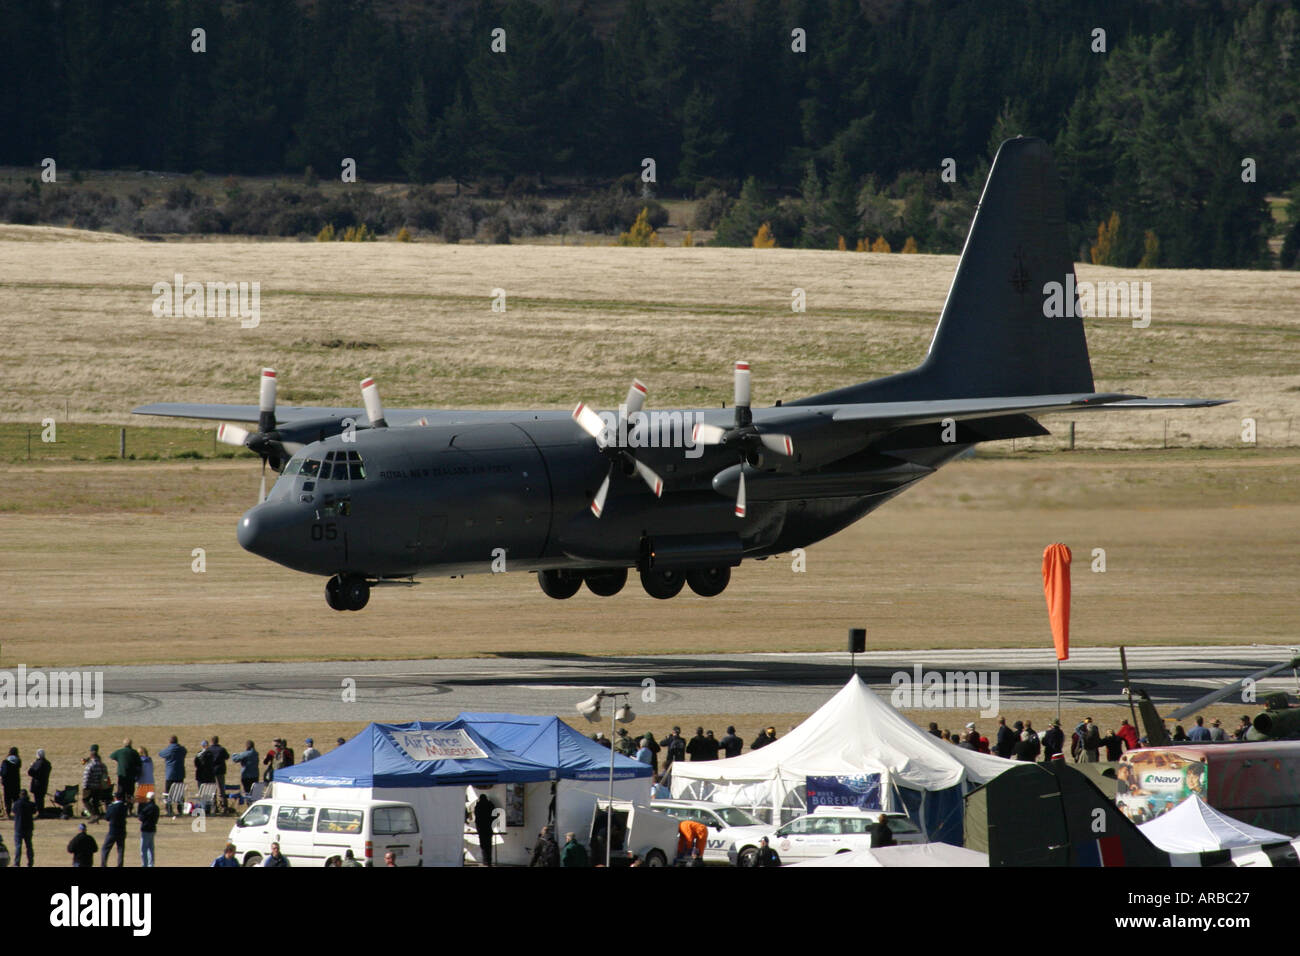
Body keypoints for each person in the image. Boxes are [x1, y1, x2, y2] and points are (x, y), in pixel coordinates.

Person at [109, 739, 142, 814]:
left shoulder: (119, 751)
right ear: (131, 744)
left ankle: (121, 809)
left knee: (121, 793)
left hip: (122, 776)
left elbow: (111, 756)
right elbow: (139, 764)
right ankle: (130, 809)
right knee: (130, 794)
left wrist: (119, 761)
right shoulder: (134, 752)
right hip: (131, 777)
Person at [158, 735, 187, 814]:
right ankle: (180, 808)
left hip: (170, 775)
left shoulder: (169, 750)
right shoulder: (181, 749)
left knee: (168, 792)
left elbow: (160, 753)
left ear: (170, 742)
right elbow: (185, 751)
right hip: (180, 774)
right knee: (180, 792)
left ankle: (169, 808)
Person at [81, 747, 109, 821]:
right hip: (99, 786)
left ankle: (93, 815)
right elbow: (105, 776)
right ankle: (97, 815)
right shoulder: (102, 765)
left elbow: (86, 776)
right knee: (95, 802)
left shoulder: (90, 765)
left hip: (90, 786)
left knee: (85, 800)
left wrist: (85, 786)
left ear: (91, 757)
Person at [101, 790, 128, 867]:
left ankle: (103, 864)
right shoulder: (124, 807)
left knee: (105, 848)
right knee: (120, 849)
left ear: (115, 798)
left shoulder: (111, 807)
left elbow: (107, 818)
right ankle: (120, 865)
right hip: (122, 831)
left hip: (112, 831)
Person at [11, 789, 35, 866]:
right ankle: (30, 862)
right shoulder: (31, 804)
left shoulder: (16, 804)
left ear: (20, 795)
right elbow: (34, 811)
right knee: (29, 846)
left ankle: (17, 863)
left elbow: (13, 811)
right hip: (28, 828)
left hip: (19, 827)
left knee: (18, 846)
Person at [473, 792, 496, 866]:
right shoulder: (490, 805)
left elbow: (477, 818)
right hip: (488, 828)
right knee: (489, 845)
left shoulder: (478, 806)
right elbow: (494, 816)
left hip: (481, 829)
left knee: (483, 845)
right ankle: (489, 861)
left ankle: (485, 860)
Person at [208, 735, 230, 811]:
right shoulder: (221, 749)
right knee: (221, 789)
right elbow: (227, 756)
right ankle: (223, 806)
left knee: (213, 790)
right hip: (220, 771)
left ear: (211, 741)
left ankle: (214, 806)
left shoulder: (209, 750)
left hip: (211, 772)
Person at [138, 791, 159, 866]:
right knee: (151, 848)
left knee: (143, 849)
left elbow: (141, 818)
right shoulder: (156, 808)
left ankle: (144, 864)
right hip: (153, 829)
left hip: (145, 829)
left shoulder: (146, 808)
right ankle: (151, 864)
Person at [27, 749, 51, 815]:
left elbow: (31, 772)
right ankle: (41, 811)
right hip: (44, 783)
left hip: (37, 784)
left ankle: (40, 812)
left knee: (38, 799)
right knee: (41, 799)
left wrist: (32, 766)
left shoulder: (38, 763)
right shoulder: (48, 763)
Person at [1, 747, 20, 818]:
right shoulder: (18, 761)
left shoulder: (5, 762)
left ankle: (8, 813)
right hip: (16, 783)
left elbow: (3, 773)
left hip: (7, 783)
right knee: (16, 798)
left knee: (7, 799)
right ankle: (17, 812)